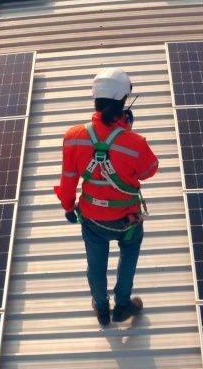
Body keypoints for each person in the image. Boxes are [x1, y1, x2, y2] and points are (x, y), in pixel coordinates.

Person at [54, 68, 159, 327]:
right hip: (127, 220)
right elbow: (148, 171)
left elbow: (68, 179)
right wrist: (127, 132)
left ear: (96, 99)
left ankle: (101, 309)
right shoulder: (135, 142)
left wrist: (68, 206)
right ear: (124, 101)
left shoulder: (74, 137)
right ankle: (122, 306)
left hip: (92, 219)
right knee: (129, 257)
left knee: (96, 264)